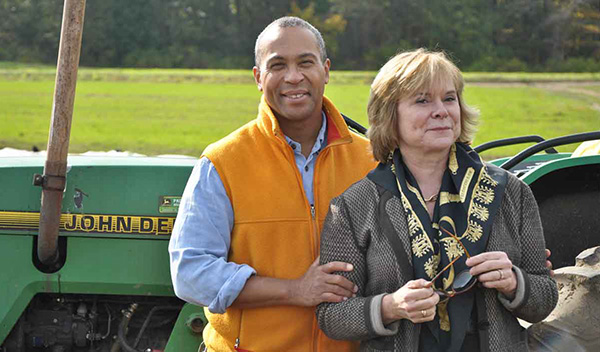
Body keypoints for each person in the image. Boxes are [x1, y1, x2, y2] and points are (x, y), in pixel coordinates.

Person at [316, 49, 558, 351]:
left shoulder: (511, 191)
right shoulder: (354, 206)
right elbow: (332, 316)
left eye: (449, 98)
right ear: (390, 115)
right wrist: (390, 306)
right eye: (422, 100)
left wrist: (514, 282)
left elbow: (546, 299)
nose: (441, 110)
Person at [168, 17, 376, 352]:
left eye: (305, 62)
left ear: (326, 70)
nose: (293, 77)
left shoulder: (372, 161)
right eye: (277, 65)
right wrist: (294, 290)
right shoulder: (222, 162)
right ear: (258, 77)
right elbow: (190, 271)